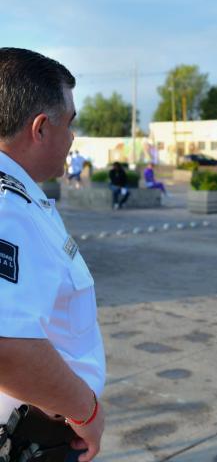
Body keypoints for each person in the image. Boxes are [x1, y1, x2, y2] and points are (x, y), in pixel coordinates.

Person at [0, 48, 105, 462]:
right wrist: (87, 411)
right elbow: (6, 341)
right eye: (70, 122)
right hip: (26, 438)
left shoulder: (20, 200)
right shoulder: (8, 210)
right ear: (41, 128)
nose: (73, 137)